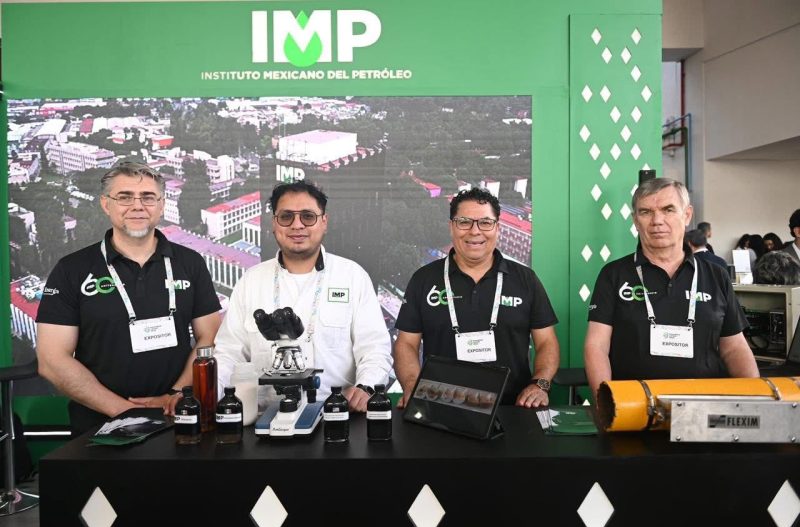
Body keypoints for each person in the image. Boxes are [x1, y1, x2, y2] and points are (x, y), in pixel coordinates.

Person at [36, 162, 222, 435]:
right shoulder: (71, 270)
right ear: (105, 204)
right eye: (124, 197)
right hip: (99, 424)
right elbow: (52, 360)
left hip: (178, 416)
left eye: (148, 197)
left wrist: (176, 393)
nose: (137, 206)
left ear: (161, 205)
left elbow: (210, 338)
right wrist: (126, 412)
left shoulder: (190, 263)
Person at [213, 181, 392, 413]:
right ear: (274, 223)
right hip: (264, 416)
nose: (297, 225)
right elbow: (229, 353)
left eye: (308, 216)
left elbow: (374, 348)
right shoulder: (251, 280)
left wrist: (366, 387)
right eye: (286, 217)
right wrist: (210, 394)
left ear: (324, 222)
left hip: (337, 413)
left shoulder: (352, 277)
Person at [584, 178, 758, 400]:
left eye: (668, 210)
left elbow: (734, 348)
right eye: (646, 212)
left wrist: (756, 399)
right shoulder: (613, 275)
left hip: (706, 404)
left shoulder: (716, 275)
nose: (657, 221)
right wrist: (606, 403)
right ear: (635, 220)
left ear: (687, 215)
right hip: (634, 405)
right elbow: (596, 347)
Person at [393, 188, 560, 409]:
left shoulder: (525, 279)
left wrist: (540, 384)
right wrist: (412, 385)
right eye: (464, 222)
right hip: (439, 408)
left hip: (513, 408)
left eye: (485, 223)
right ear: (451, 226)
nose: (475, 231)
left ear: (497, 228)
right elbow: (406, 343)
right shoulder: (423, 279)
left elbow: (547, 342)